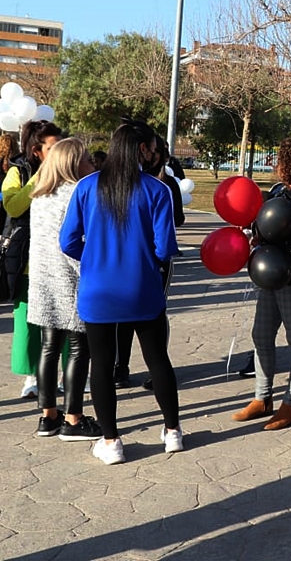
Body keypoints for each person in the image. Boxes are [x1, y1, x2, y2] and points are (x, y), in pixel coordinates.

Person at [59, 120, 181, 464]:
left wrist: (95, 257)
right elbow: (165, 247)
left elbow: (67, 240)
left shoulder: (86, 187)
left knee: (101, 363)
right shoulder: (158, 191)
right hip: (142, 287)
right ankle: (173, 432)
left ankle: (111, 442)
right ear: (142, 150)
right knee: (158, 359)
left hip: (98, 289)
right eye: (152, 148)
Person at [232, 138, 291, 431]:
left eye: (281, 161)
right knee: (261, 335)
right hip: (270, 277)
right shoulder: (278, 192)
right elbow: (265, 224)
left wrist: (283, 252)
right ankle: (262, 398)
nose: (277, 167)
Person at [28, 137, 101, 441]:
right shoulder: (78, 194)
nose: (92, 164)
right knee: (77, 349)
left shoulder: (40, 195)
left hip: (43, 280)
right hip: (70, 279)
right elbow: (78, 242)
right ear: (72, 163)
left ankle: (48, 416)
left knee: (48, 348)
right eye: (86, 159)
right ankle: (74, 418)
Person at [114, 134, 183, 391]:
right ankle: (127, 368)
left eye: (154, 151)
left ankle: (147, 368)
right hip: (139, 258)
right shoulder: (131, 184)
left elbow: (178, 219)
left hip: (148, 260)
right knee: (133, 315)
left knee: (148, 313)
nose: (149, 155)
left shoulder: (166, 185)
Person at [5, 119, 63, 399]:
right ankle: (31, 376)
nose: (58, 151)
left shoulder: (68, 170)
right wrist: (37, 180)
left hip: (61, 260)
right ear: (35, 149)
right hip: (26, 261)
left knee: (65, 318)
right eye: (52, 147)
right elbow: (13, 206)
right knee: (27, 322)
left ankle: (67, 374)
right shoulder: (18, 171)